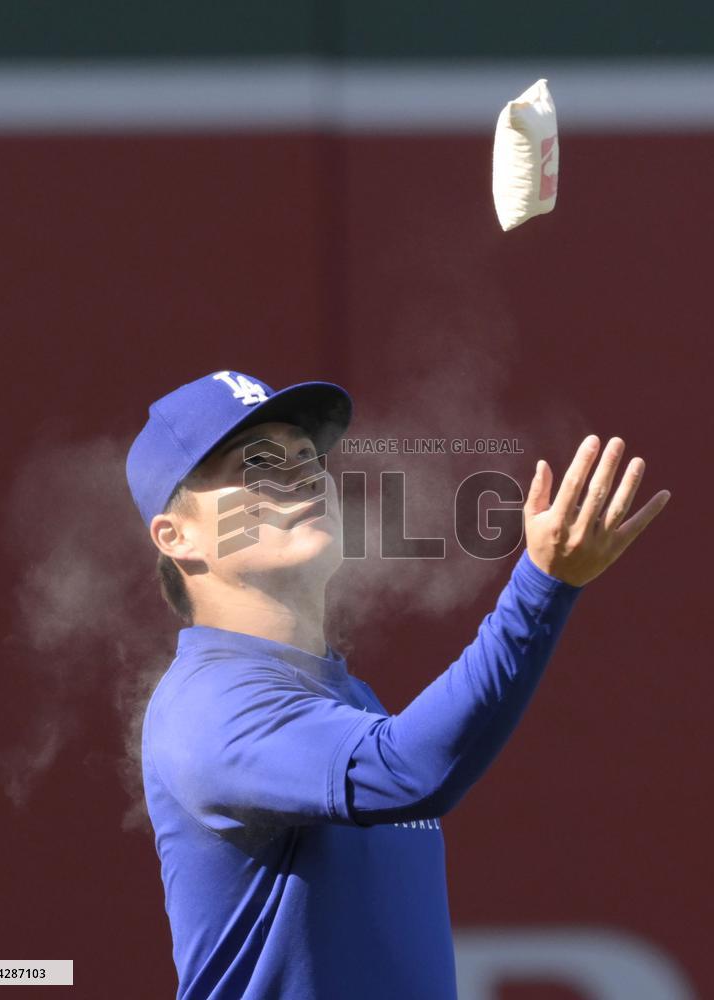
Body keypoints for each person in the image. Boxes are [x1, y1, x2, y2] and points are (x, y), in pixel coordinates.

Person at [125, 369, 671, 1000]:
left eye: (306, 456)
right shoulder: (209, 706)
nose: (299, 474)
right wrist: (542, 586)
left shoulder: (337, 696)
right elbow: (409, 766)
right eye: (254, 465)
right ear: (177, 537)